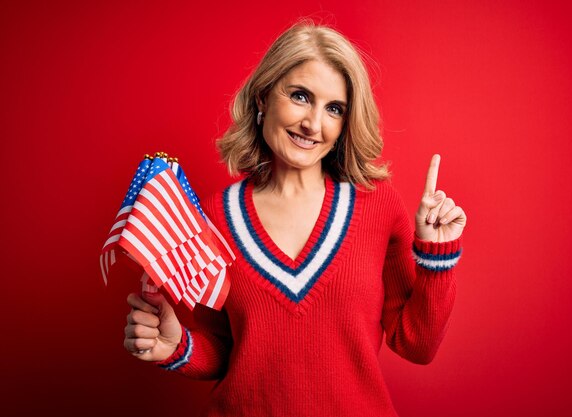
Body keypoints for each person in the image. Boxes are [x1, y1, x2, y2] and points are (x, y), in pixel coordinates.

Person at [124, 21, 467, 417]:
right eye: (300, 96)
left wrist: (437, 255)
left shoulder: (378, 207)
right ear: (263, 98)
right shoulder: (213, 217)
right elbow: (228, 350)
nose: (313, 124)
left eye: (334, 109)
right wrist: (177, 346)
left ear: (344, 124)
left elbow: (417, 346)